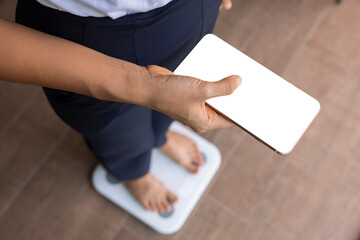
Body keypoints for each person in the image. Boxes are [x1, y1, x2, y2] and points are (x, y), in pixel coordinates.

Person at [0, 0, 238, 213]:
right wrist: (142, 85)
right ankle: (134, 172)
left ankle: (159, 136)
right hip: (83, 26)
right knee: (116, 129)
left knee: (180, 93)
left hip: (188, 9)